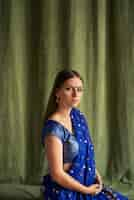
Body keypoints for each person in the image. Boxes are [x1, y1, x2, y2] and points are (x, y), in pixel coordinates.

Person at [41, 69, 128, 199]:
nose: (75, 94)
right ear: (57, 92)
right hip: (66, 190)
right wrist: (86, 190)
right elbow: (57, 174)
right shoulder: (53, 128)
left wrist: (96, 175)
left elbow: (86, 154)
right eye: (69, 89)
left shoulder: (78, 116)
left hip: (88, 184)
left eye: (79, 89)